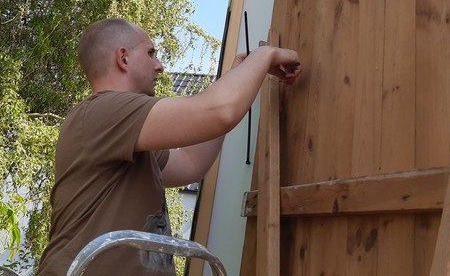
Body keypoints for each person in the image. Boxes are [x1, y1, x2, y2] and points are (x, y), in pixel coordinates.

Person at [37, 18, 301, 275]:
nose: (160, 66)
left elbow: (190, 163)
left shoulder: (126, 133)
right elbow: (219, 112)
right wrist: (264, 55)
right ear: (123, 58)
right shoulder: (104, 111)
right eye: (151, 53)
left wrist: (240, 74)